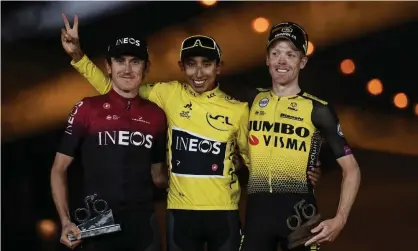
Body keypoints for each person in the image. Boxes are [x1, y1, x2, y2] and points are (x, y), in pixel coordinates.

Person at [60, 14, 323, 251]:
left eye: (206, 64)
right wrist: (78, 58)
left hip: (224, 215)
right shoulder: (167, 93)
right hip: (180, 214)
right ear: (181, 66)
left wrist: (299, 172)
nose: (198, 72)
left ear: (218, 67)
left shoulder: (239, 110)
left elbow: (257, 163)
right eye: (191, 64)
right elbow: (115, 87)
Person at [239, 22, 362, 251]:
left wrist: (340, 219)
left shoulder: (318, 109)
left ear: (302, 61)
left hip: (300, 221)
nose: (281, 60)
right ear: (267, 59)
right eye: (275, 53)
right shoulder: (251, 100)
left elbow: (352, 169)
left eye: (290, 54)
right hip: (256, 222)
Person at [51, 15, 167, 251]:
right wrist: (65, 221)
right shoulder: (87, 108)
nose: (127, 68)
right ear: (108, 66)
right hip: (97, 224)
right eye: (120, 61)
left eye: (135, 61)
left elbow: (158, 176)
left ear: (146, 68)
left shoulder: (157, 115)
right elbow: (58, 168)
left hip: (144, 228)